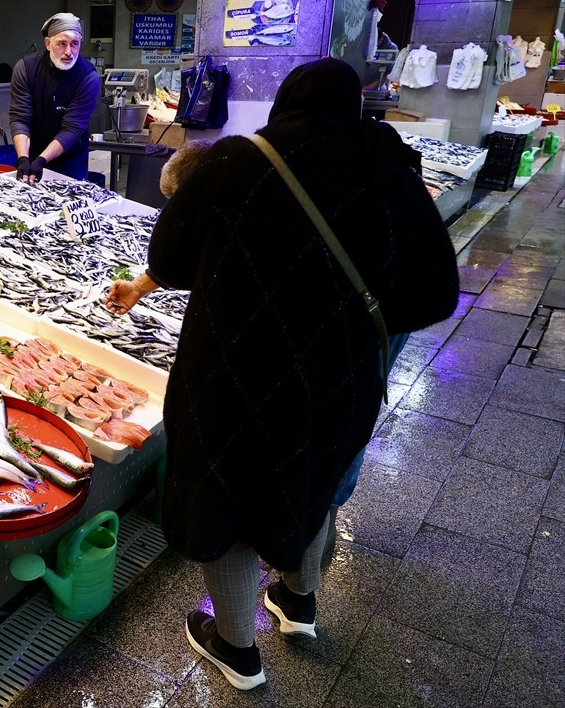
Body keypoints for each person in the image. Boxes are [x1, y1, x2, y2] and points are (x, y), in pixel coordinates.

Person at [105, 59, 458, 691]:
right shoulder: (388, 170)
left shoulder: (235, 161)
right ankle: (298, 605)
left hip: (232, 377)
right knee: (312, 480)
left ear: (285, 105)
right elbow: (436, 292)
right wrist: (352, 327)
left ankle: (238, 649)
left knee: (228, 501)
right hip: (337, 382)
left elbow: (170, 257)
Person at [9, 12, 100, 182]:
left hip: (70, 159)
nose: (69, 52)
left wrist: (42, 160)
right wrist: (23, 158)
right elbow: (20, 118)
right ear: (48, 43)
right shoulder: (26, 69)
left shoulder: (88, 77)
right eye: (62, 44)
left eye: (74, 44)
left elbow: (73, 128)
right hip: (31, 152)